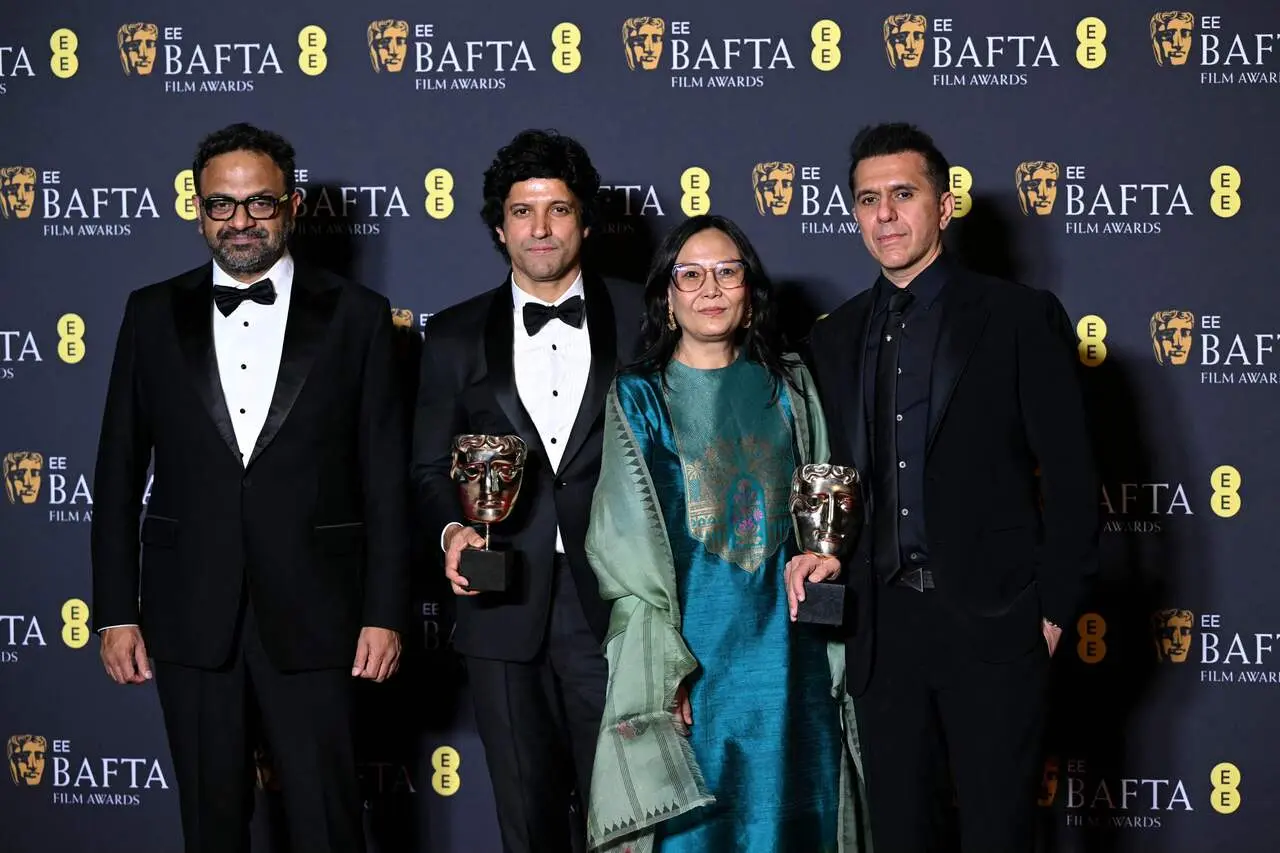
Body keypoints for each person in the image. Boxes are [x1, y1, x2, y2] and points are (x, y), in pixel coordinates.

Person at [91, 122, 410, 853]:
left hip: (320, 611)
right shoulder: (149, 312)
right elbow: (115, 470)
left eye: (259, 203)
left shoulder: (358, 315)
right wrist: (113, 608)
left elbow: (385, 477)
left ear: (291, 206)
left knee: (330, 822)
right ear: (198, 209)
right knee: (209, 825)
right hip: (187, 611)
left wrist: (385, 610)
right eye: (221, 205)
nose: (240, 221)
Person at [798, 122, 1099, 852]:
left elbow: (1075, 479)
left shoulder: (1020, 316)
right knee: (902, 836)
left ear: (945, 204)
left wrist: (1050, 614)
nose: (885, 215)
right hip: (879, 631)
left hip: (995, 627)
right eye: (868, 199)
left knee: (1000, 834)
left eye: (904, 194)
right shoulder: (832, 338)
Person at [584, 214, 870, 853]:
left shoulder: (792, 385)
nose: (710, 288)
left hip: (788, 648)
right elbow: (624, 546)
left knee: (795, 812)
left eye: (727, 271)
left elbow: (822, 510)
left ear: (750, 291)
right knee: (693, 826)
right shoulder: (640, 396)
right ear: (667, 296)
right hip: (693, 655)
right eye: (691, 274)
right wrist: (663, 669)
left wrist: (825, 561)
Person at [410, 129, 645, 853]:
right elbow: (425, 469)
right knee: (526, 821)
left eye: (558, 210)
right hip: (497, 605)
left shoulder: (646, 316)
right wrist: (454, 533)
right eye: (522, 211)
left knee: (631, 816)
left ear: (585, 219)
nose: (540, 229)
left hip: (615, 605)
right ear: (498, 224)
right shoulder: (450, 335)